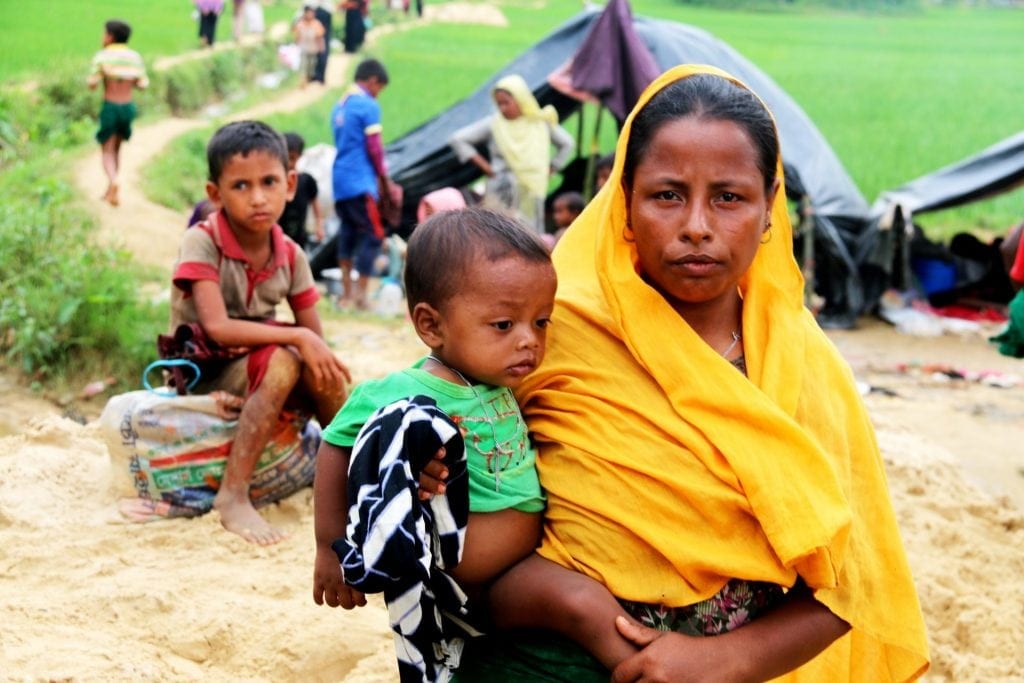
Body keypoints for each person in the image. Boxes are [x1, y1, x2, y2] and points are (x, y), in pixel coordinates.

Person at [432, 66, 931, 681]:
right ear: (625, 204)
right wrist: (432, 466)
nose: (697, 225)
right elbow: (450, 503)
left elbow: (851, 585)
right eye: (667, 195)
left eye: (729, 197)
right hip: (543, 657)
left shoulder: (803, 367)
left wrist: (724, 659)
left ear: (770, 208)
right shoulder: (546, 337)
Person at [313, 207, 643, 682]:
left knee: (591, 599)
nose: (529, 341)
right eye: (504, 325)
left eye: (542, 322)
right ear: (431, 325)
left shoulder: (498, 381)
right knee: (582, 605)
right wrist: (330, 548)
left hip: (527, 558)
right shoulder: (405, 392)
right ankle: (651, 668)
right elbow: (335, 446)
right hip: (475, 583)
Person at [167, 120, 351, 545]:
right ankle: (232, 497)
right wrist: (299, 339)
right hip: (203, 368)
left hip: (261, 366)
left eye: (269, 182)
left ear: (289, 184)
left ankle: (356, 476)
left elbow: (315, 343)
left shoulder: (290, 254)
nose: (258, 198)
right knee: (288, 356)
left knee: (323, 371)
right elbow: (218, 329)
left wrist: (313, 351)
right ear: (216, 195)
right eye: (241, 186)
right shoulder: (203, 240)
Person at [448, 74, 575, 234]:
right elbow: (458, 139)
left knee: (529, 232)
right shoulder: (494, 124)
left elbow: (567, 143)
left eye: (506, 103)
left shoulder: (539, 121)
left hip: (530, 186)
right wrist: (486, 167)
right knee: (496, 231)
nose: (503, 108)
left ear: (521, 99)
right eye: (499, 104)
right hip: (501, 183)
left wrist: (552, 167)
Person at [331, 58, 393, 310]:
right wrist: (383, 178)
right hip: (360, 180)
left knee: (348, 232)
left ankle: (345, 294)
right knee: (374, 235)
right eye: (379, 88)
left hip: (339, 179)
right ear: (372, 81)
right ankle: (360, 296)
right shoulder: (368, 105)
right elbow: (375, 147)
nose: (378, 94)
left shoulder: (341, 105)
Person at [87, 19, 149, 208]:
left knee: (107, 150)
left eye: (104, 33)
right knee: (117, 149)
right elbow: (143, 84)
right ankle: (109, 189)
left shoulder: (102, 57)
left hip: (111, 106)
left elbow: (91, 84)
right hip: (128, 107)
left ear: (110, 36)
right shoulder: (135, 58)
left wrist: (107, 74)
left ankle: (113, 181)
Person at [280, 132, 325, 250]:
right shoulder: (276, 182)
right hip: (279, 236)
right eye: (286, 158)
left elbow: (315, 203)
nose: (289, 163)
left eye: (292, 158)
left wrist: (319, 225)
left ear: (300, 156)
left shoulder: (306, 181)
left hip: (299, 237)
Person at [294, 5, 326, 88]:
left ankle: (308, 80)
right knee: (303, 65)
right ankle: (303, 82)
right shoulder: (300, 24)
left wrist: (321, 47)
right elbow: (297, 36)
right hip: (303, 48)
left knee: (311, 66)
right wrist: (296, 46)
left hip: (313, 48)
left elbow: (320, 37)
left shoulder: (316, 24)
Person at [312, 1, 334, 84]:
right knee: (320, 50)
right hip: (321, 15)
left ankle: (319, 76)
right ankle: (319, 76)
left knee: (320, 51)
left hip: (319, 15)